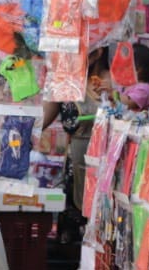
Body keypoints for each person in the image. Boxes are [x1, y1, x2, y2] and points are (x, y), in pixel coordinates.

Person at [43, 48, 112, 244]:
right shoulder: (67, 82)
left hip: (107, 167)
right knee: (73, 237)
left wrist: (115, 97)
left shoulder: (114, 82)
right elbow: (42, 119)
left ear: (97, 52)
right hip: (75, 168)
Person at [120, 43, 149, 112]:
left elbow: (129, 103)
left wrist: (113, 95)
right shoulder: (126, 85)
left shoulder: (143, 88)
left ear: (139, 69)